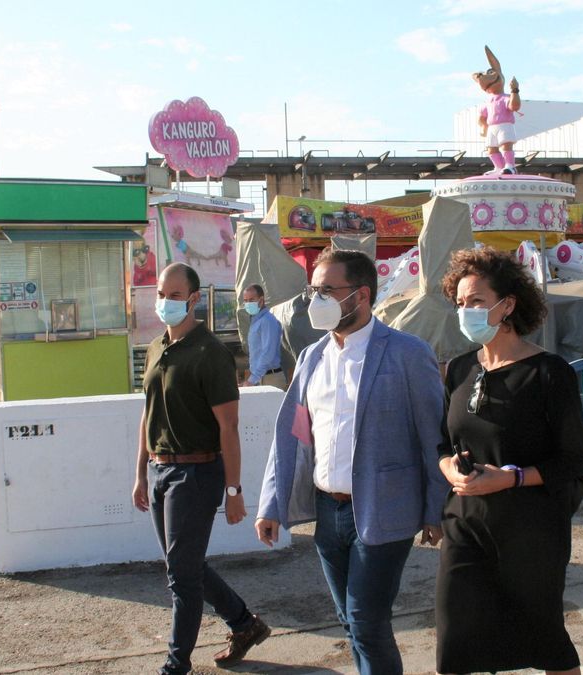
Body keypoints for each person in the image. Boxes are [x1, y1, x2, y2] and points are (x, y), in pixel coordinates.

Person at [255, 249, 447, 675]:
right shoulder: (312, 358)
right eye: (312, 290)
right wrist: (272, 503)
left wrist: (436, 509)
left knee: (366, 622)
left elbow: (432, 437)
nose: (314, 300)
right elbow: (294, 438)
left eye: (326, 290)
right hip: (329, 512)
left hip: (383, 510)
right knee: (350, 621)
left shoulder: (406, 354)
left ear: (361, 296)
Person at [435, 247, 583, 675]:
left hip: (531, 530)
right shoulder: (461, 369)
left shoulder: (549, 373)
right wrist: (449, 470)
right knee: (455, 643)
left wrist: (510, 479)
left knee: (545, 638)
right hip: (465, 523)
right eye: (461, 303)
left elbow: (573, 460)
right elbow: (440, 444)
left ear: (509, 305)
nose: (466, 311)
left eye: (477, 302)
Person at [133, 263, 269, 675]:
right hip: (160, 471)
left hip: (196, 475)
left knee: (181, 576)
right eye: (161, 293)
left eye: (175, 295)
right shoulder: (157, 347)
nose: (165, 301)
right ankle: (245, 624)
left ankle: (176, 666)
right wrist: (140, 472)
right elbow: (148, 414)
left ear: (194, 298)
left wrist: (233, 490)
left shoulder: (211, 353)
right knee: (185, 566)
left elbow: (229, 427)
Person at [240, 284, 285, 388]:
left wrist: (252, 380)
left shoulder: (267, 320)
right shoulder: (256, 321)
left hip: (270, 378)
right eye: (245, 300)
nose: (248, 304)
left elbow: (268, 353)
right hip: (261, 377)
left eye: (251, 300)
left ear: (261, 300)